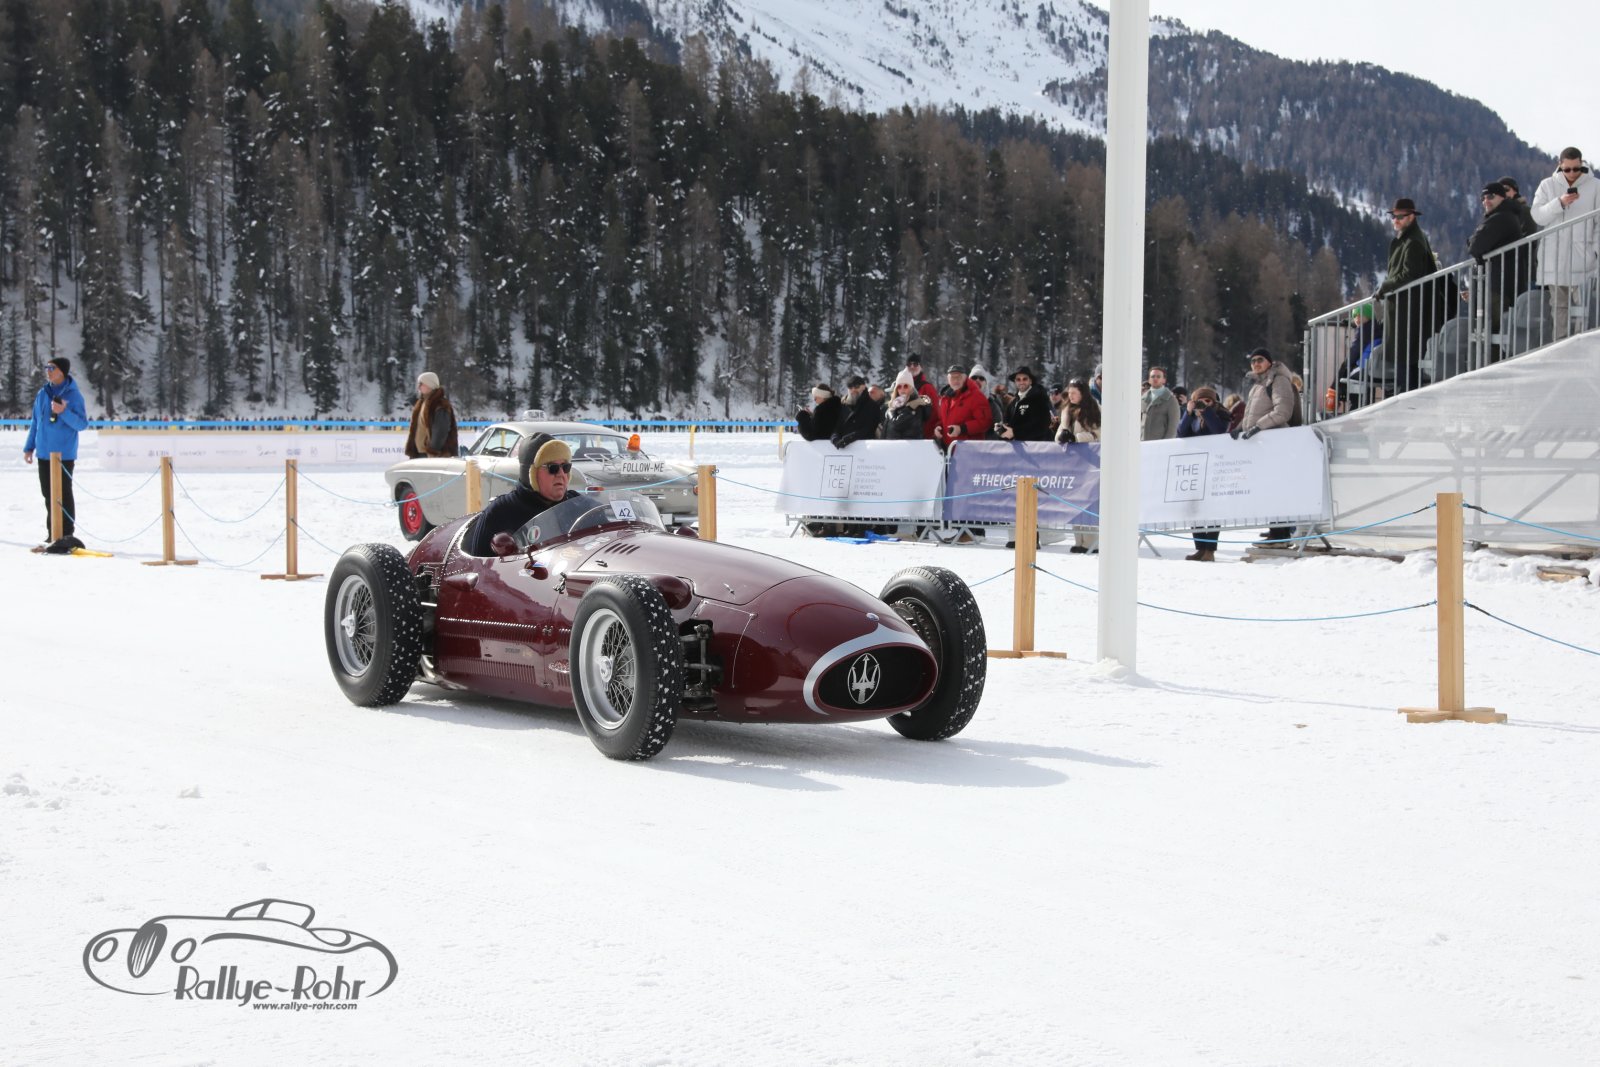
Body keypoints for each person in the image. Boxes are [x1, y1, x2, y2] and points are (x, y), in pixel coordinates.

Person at [465, 434, 581, 556]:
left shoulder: (576, 504)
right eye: (553, 468)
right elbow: (477, 564)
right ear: (530, 473)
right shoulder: (500, 512)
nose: (561, 474)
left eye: (566, 467)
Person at [1529, 147, 1600, 340]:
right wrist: (1559, 203)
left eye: (1576, 168)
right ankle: (1559, 346)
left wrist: (1595, 251)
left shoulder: (1595, 186)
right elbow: (1537, 216)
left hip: (1583, 260)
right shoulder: (1547, 185)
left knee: (1585, 308)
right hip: (1554, 259)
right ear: (1560, 165)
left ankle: (1581, 346)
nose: (1572, 173)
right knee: (1559, 308)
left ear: (1582, 164)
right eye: (1567, 169)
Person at [1233, 348, 1298, 545]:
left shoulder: (1279, 380)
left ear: (1270, 362)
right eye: (1253, 361)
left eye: (1260, 360)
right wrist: (1239, 428)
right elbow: (1251, 414)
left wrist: (1258, 427)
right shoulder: (1258, 385)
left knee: (1277, 488)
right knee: (1268, 488)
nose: (1256, 364)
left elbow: (1283, 411)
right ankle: (1275, 529)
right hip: (1262, 445)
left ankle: (1280, 534)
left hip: (1276, 443)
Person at [22, 355, 89, 548]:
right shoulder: (42, 393)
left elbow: (82, 424)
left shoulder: (74, 396)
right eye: (47, 368)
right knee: (48, 494)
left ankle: (66, 534)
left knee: (63, 494)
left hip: (63, 454)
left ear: (62, 372)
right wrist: (29, 447)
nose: (48, 371)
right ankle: (53, 532)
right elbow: (35, 422)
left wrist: (63, 412)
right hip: (44, 453)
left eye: (52, 368)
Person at [1374, 197, 1439, 392]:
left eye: (1400, 217)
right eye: (1393, 216)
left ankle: (1408, 399)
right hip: (1405, 307)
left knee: (1406, 361)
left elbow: (1409, 275)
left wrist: (1384, 287)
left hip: (1409, 309)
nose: (1396, 220)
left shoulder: (1413, 242)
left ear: (1411, 217)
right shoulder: (1408, 239)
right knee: (1405, 360)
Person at [1467, 181, 1526, 343]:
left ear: (1502, 198)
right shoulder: (1505, 216)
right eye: (1483, 198)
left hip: (1497, 286)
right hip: (1499, 284)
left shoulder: (1501, 218)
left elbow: (1475, 246)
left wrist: (1473, 242)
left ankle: (1493, 360)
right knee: (1492, 335)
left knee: (1492, 335)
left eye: (1491, 196)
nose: (1486, 201)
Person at [1177, 385, 1230, 561]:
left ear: (1214, 402)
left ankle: (1210, 550)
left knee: (1213, 508)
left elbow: (1218, 430)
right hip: (1196, 466)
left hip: (1215, 466)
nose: (1203, 403)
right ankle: (1200, 547)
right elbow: (1181, 433)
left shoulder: (1221, 413)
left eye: (1207, 400)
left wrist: (1206, 412)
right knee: (1194, 507)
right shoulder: (1192, 416)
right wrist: (1188, 412)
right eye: (1199, 401)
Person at [1056, 379, 1101, 553]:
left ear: (1083, 393)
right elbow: (1061, 429)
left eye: (1075, 393)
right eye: (1069, 393)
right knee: (1075, 500)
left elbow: (1098, 433)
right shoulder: (1067, 410)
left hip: (1090, 460)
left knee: (1089, 500)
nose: (1071, 396)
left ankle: (1091, 541)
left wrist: (1077, 438)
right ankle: (1079, 540)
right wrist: (1061, 436)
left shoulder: (1094, 408)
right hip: (1072, 461)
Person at [932, 365, 991, 450]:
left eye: (959, 377)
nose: (956, 380)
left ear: (965, 378)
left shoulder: (976, 396)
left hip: (969, 450)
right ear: (948, 380)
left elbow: (985, 422)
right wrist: (939, 427)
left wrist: (962, 429)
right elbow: (943, 419)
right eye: (953, 377)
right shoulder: (945, 398)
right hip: (948, 449)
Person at [405, 371, 459, 459]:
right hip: (420, 454)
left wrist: (433, 450)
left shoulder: (440, 405)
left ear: (430, 385)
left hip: (435, 455)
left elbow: (440, 431)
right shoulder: (421, 403)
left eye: (421, 384)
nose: (419, 387)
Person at [1000, 365, 1053, 442]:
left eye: (1025, 379)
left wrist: (1015, 432)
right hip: (1018, 446)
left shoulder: (1040, 398)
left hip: (1038, 445)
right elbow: (1009, 426)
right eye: (1018, 379)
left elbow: (1042, 426)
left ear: (1030, 381)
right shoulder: (1013, 403)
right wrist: (1001, 429)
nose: (1021, 382)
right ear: (1015, 382)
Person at [831, 375, 882, 447]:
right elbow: (836, 426)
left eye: (856, 386)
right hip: (842, 449)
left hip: (864, 447)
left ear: (863, 387)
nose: (853, 390)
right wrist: (835, 438)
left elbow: (869, 428)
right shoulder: (843, 405)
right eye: (850, 387)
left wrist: (849, 438)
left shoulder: (872, 406)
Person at [881, 369, 933, 439]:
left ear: (911, 388)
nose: (902, 389)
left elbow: (897, 424)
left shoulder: (916, 406)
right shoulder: (894, 404)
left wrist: (909, 408)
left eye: (905, 386)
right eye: (899, 387)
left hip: (906, 445)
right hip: (889, 445)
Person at [904, 355, 942, 438]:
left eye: (915, 364)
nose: (912, 367)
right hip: (902, 435)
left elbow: (935, 413)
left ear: (920, 367)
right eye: (909, 364)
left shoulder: (927, 387)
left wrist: (927, 435)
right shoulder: (900, 386)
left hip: (920, 436)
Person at [1141, 366, 1180, 440]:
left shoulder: (1171, 400)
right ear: (1149, 380)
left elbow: (1173, 427)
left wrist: (1165, 444)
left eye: (1158, 376)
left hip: (1159, 443)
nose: (1155, 378)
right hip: (1142, 442)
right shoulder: (1143, 399)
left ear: (1164, 380)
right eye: (1152, 376)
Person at [968, 364, 1005, 438]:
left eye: (981, 378)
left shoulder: (992, 405)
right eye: (974, 377)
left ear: (985, 383)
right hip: (964, 443)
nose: (977, 380)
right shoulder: (960, 400)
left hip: (985, 443)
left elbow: (998, 431)